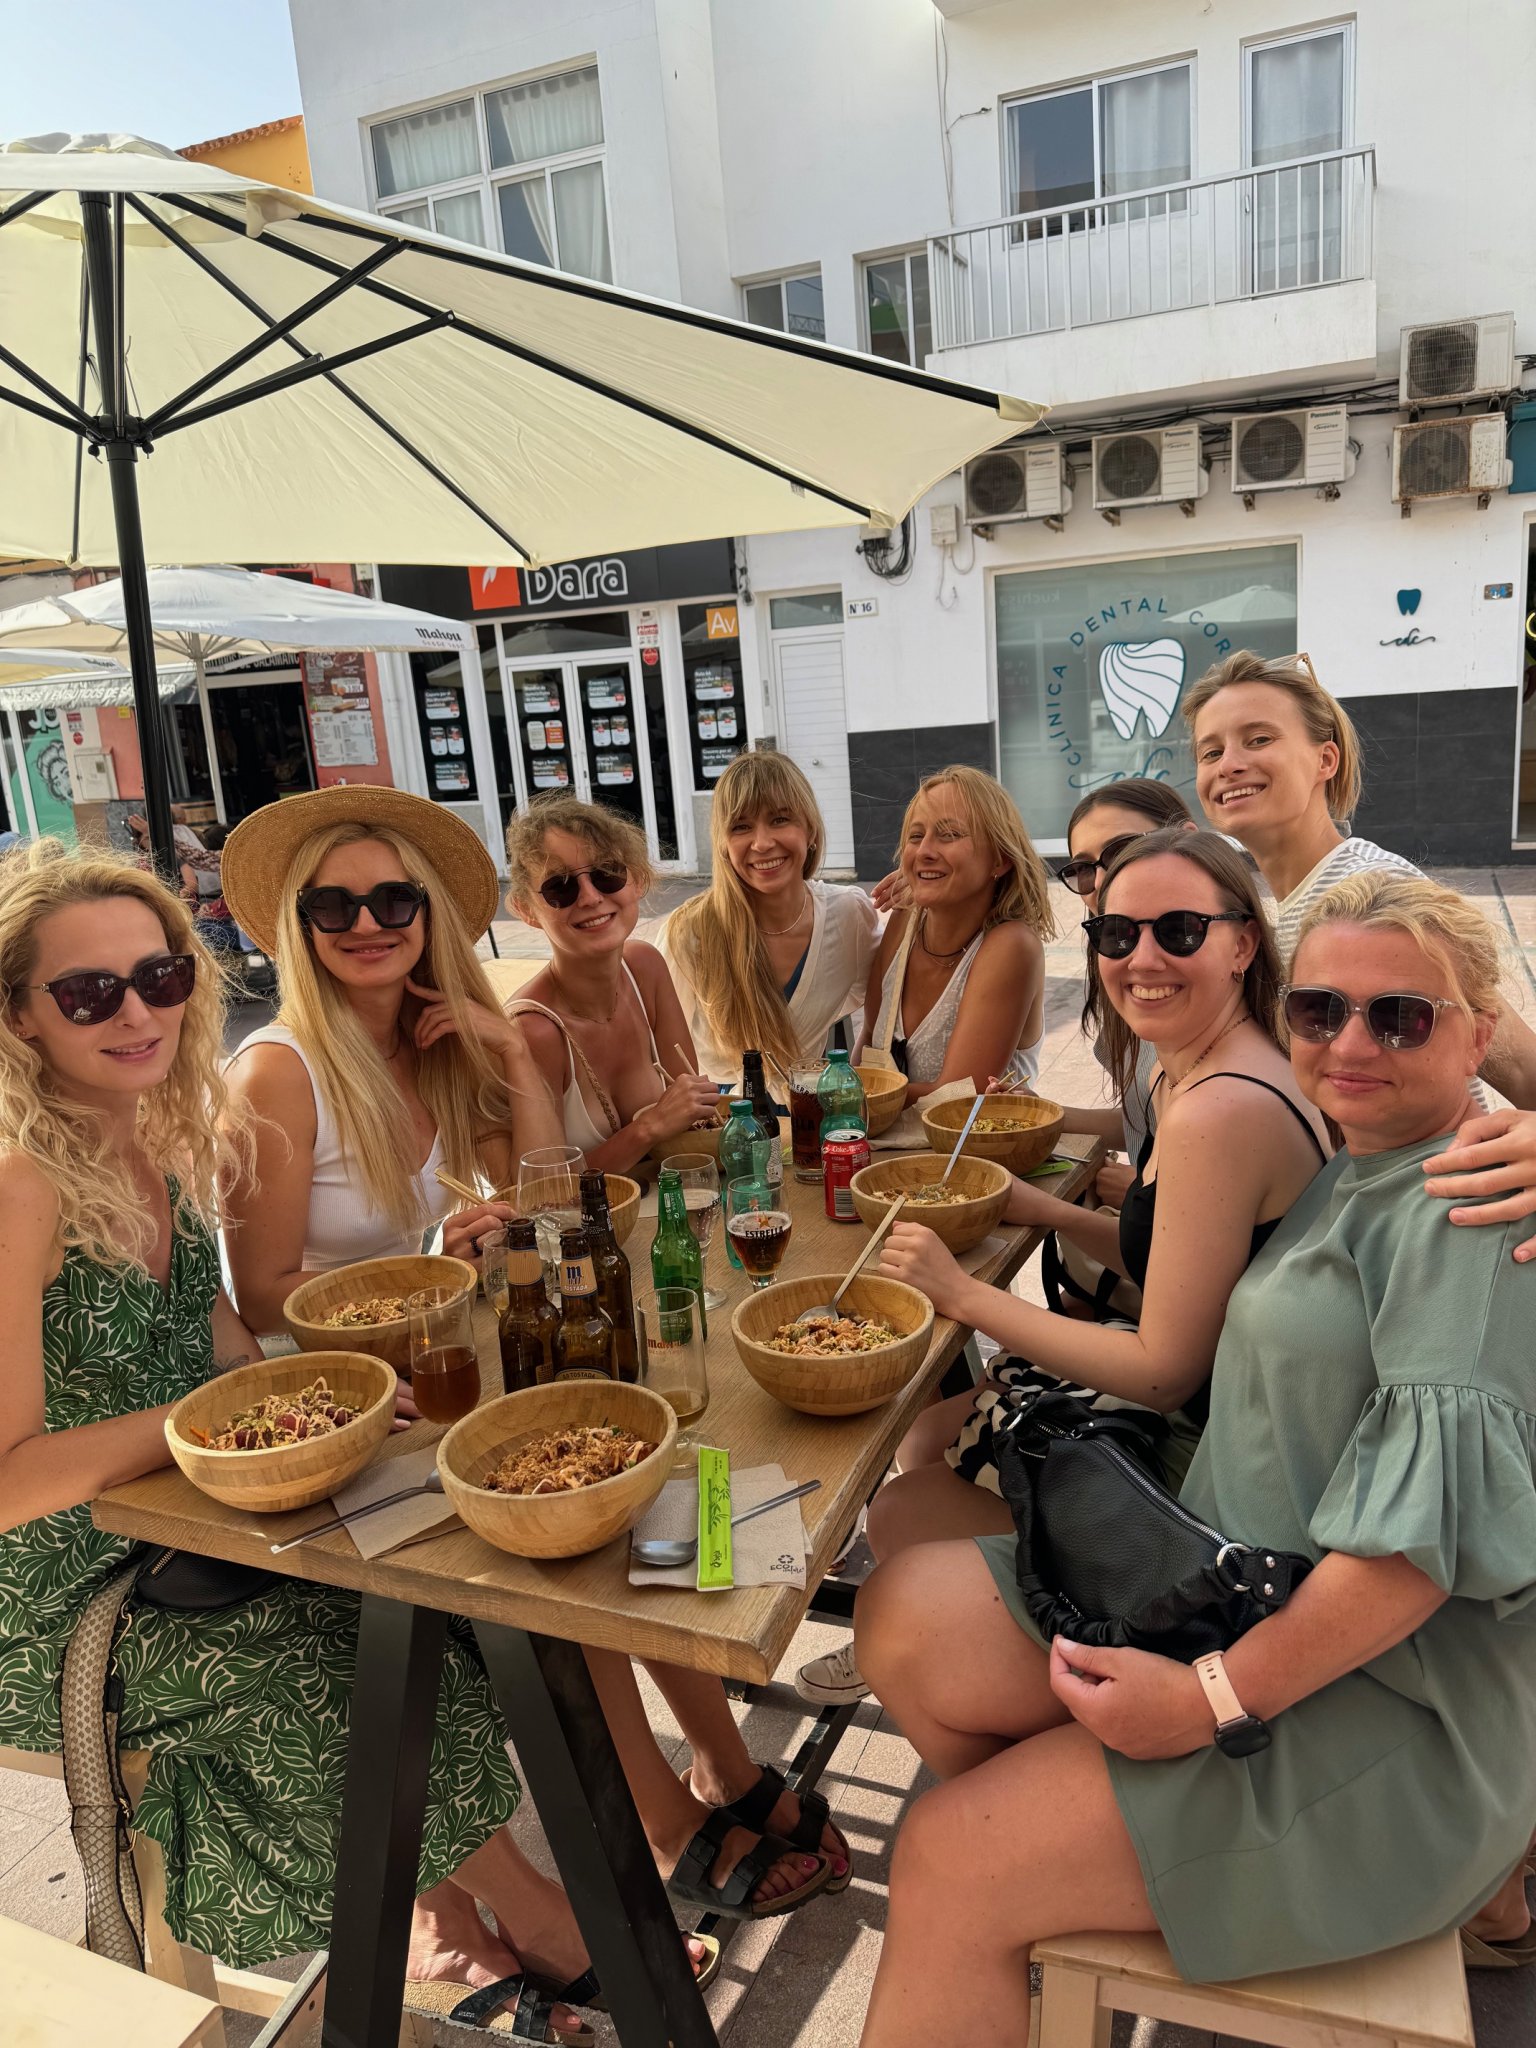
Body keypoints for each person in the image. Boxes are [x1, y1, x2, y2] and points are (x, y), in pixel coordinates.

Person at [854, 869, 1536, 2042]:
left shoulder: (1471, 1215)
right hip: (1231, 1585)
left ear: (1480, 1032)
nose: (1351, 1042)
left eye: (1401, 1015)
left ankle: (1025, 1884)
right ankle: (1082, 1862)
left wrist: (1210, 1697)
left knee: (945, 1858)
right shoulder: (1369, 1154)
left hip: (1385, 1709)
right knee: (905, 1617)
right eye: (1320, 1009)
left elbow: (1412, 1560)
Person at [0, 842, 596, 2042]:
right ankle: (547, 1918)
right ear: (20, 1014)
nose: (138, 1013)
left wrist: (329, 1398)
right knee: (342, 1667)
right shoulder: (20, 1183)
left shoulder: (151, 1129)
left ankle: (453, 1919)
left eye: (161, 976)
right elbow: (8, 1479)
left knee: (448, 1585)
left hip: (190, 1517)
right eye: (89, 991)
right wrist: (210, 1425)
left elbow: (222, 1335)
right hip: (60, 1591)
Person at [798, 829, 1327, 1708]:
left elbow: (1161, 1372)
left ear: (1242, 943)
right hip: (1223, 1400)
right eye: (1117, 934)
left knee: (896, 1513)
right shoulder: (1197, 1069)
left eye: (1179, 931)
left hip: (1210, 1461)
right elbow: (1181, 1260)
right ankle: (970, 1651)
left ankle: (1006, 1688)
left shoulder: (1219, 1111)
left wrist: (961, 1293)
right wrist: (1045, 1209)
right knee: (927, 1435)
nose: (1142, 958)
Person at [1187, 649, 1536, 1257]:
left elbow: (1517, 1064)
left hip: (1439, 1213)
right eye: (1210, 751)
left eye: (1258, 739)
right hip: (1374, 1202)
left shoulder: (1371, 892)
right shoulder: (1292, 900)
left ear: (1325, 760)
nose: (1230, 764)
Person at [219, 787, 565, 1332]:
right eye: (332, 905)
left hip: (423, 1333)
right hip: (321, 1360)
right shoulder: (275, 1073)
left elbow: (539, 1198)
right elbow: (262, 1304)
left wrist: (515, 1052)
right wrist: (429, 1275)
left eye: (394, 899)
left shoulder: (436, 1043)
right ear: (305, 925)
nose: (365, 925)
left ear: (427, 915)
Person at [503, 795, 718, 1174]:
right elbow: (543, 1186)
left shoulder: (645, 968)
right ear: (526, 910)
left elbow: (687, 1115)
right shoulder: (532, 1030)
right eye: (560, 887)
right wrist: (647, 1128)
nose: (590, 897)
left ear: (636, 879)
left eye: (607, 873)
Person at [660, 751, 880, 1085]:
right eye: (741, 827)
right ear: (723, 844)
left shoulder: (849, 914)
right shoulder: (690, 932)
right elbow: (657, 1048)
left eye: (779, 820)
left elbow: (890, 1000)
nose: (762, 843)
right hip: (723, 1114)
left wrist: (921, 899)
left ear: (810, 829)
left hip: (810, 1110)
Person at [858, 766, 1054, 1097]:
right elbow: (868, 1049)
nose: (924, 851)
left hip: (969, 1133)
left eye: (949, 835)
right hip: (881, 1133)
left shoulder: (1012, 946)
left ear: (1000, 860)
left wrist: (840, 1094)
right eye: (916, 836)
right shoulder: (904, 919)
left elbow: (955, 1097)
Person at [1051, 778, 1195, 1202]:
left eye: (1122, 852)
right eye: (1083, 868)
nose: (1101, 880)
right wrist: (1042, 1115)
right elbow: (1146, 1117)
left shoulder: (1207, 990)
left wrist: (1142, 1190)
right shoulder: (1120, 969)